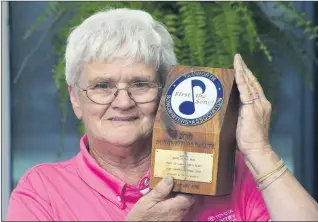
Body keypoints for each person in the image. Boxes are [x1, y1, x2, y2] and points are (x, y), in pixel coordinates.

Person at [6, 8, 318, 221]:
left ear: (168, 91)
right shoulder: (42, 191)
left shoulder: (228, 171)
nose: (123, 102)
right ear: (75, 98)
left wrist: (258, 152)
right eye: (102, 86)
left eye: (140, 84)